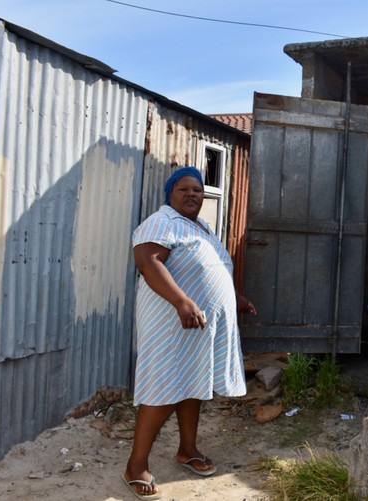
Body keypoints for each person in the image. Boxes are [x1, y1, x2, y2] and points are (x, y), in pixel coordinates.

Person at [122, 166, 256, 500]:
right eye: (184, 189)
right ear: (171, 193)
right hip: (171, 323)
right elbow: (148, 261)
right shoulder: (162, 221)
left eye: (197, 189)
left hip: (197, 326)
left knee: (193, 384)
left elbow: (210, 267)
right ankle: (135, 466)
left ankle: (187, 450)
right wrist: (182, 302)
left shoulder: (201, 227)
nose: (192, 194)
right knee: (163, 388)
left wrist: (233, 297)